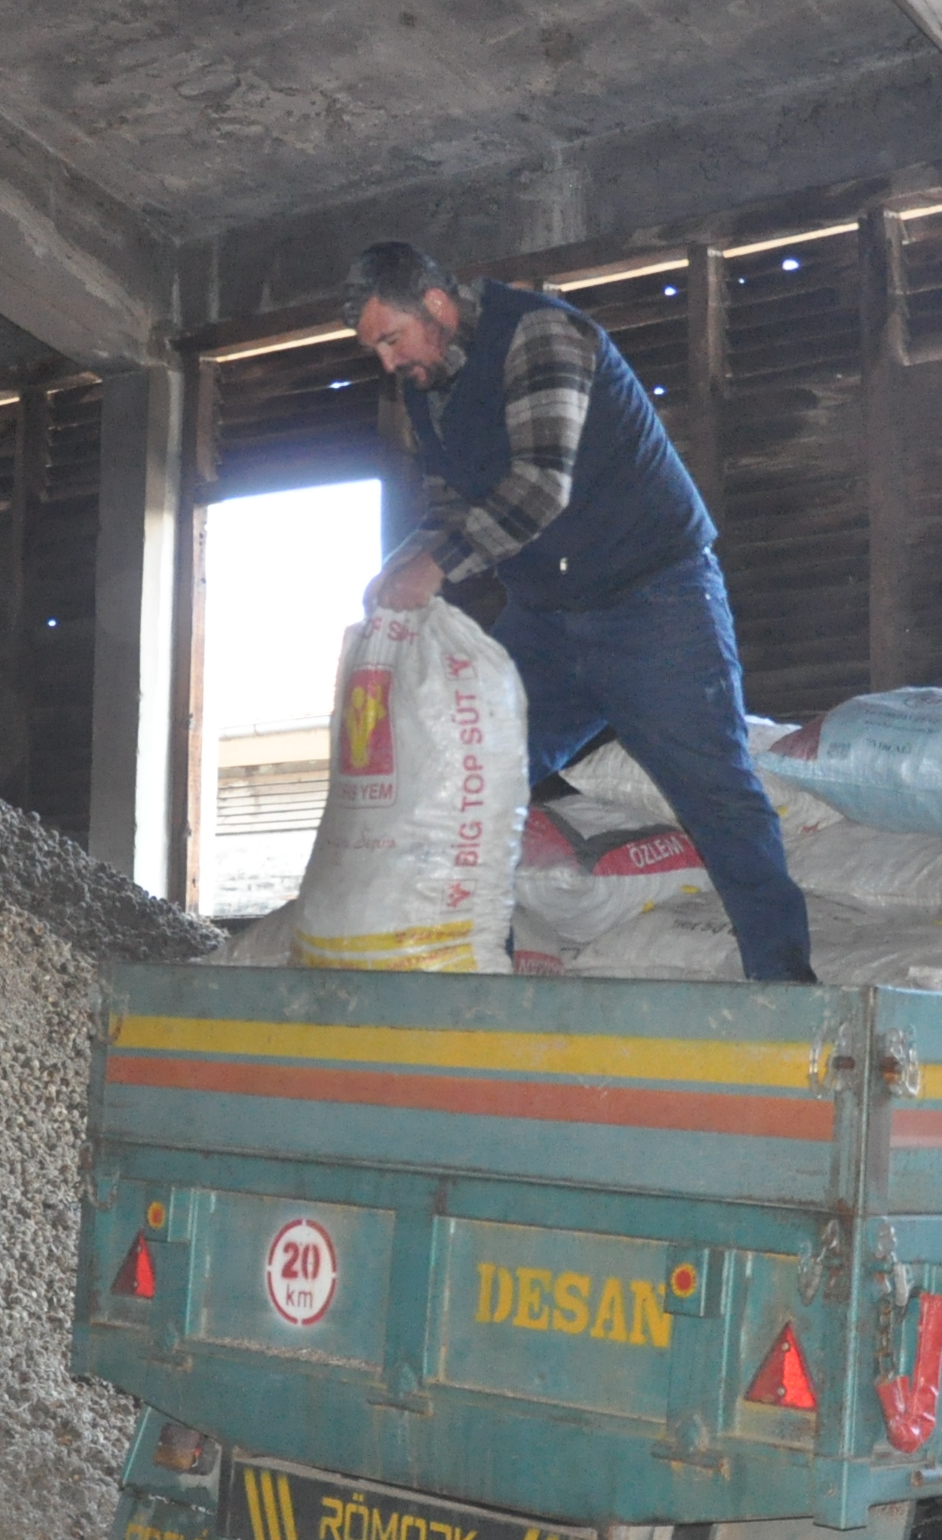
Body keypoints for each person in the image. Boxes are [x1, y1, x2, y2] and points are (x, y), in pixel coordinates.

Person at [342, 240, 813, 984]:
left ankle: (787, 989)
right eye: (374, 349)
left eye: (390, 339)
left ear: (436, 304)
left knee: (716, 794)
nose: (387, 363)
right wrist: (400, 564)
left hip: (654, 599)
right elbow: (453, 508)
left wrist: (434, 569)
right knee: (469, 772)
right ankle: (468, 975)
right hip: (546, 617)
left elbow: (537, 489)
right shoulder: (426, 385)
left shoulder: (540, 335)